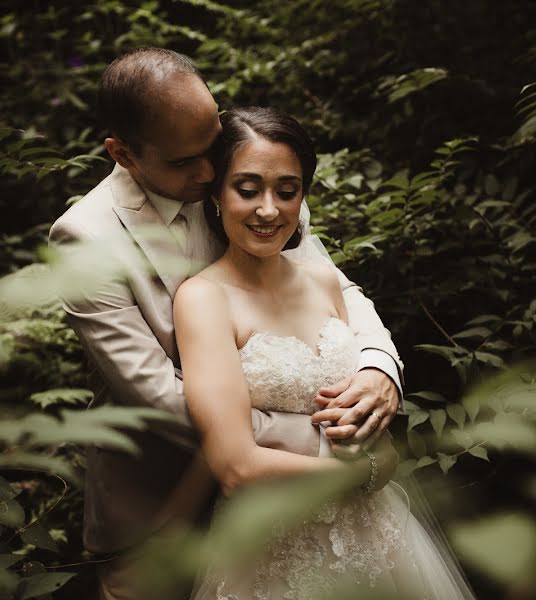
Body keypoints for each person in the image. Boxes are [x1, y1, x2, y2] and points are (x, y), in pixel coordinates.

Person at [49, 48, 404, 600]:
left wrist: (379, 369)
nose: (210, 171)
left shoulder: (254, 179)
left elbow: (335, 288)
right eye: (184, 162)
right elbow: (153, 392)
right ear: (123, 153)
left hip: (295, 513)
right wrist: (325, 438)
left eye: (212, 145)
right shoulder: (86, 239)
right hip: (162, 502)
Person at [175, 107, 475, 599]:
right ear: (215, 193)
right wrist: (362, 472)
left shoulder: (323, 280)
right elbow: (235, 466)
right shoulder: (204, 299)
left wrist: (382, 447)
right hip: (275, 547)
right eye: (247, 189)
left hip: (377, 533)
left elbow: (377, 421)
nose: (269, 209)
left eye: (286, 191)